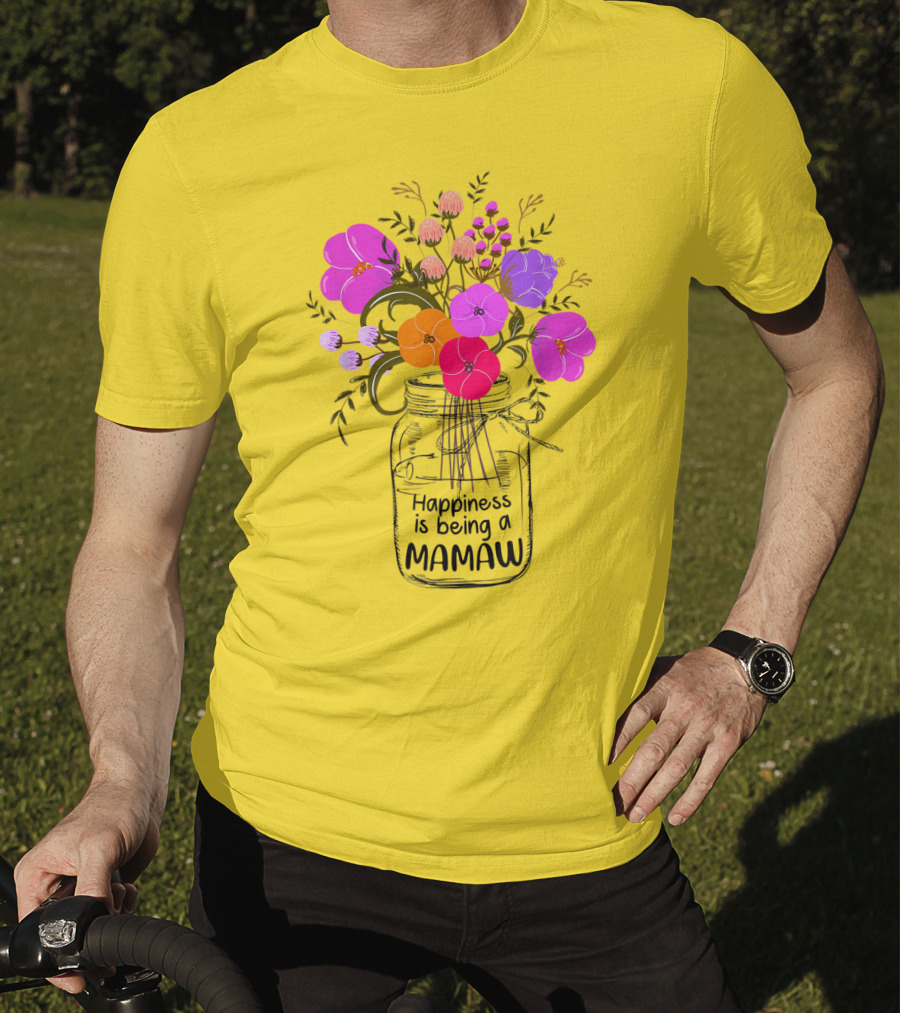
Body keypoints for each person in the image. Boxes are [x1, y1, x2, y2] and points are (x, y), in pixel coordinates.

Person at [14, 0, 884, 1011]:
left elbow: (837, 373)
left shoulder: (689, 86)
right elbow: (130, 540)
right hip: (287, 840)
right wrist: (121, 781)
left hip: (589, 830)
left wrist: (751, 650)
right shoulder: (195, 158)